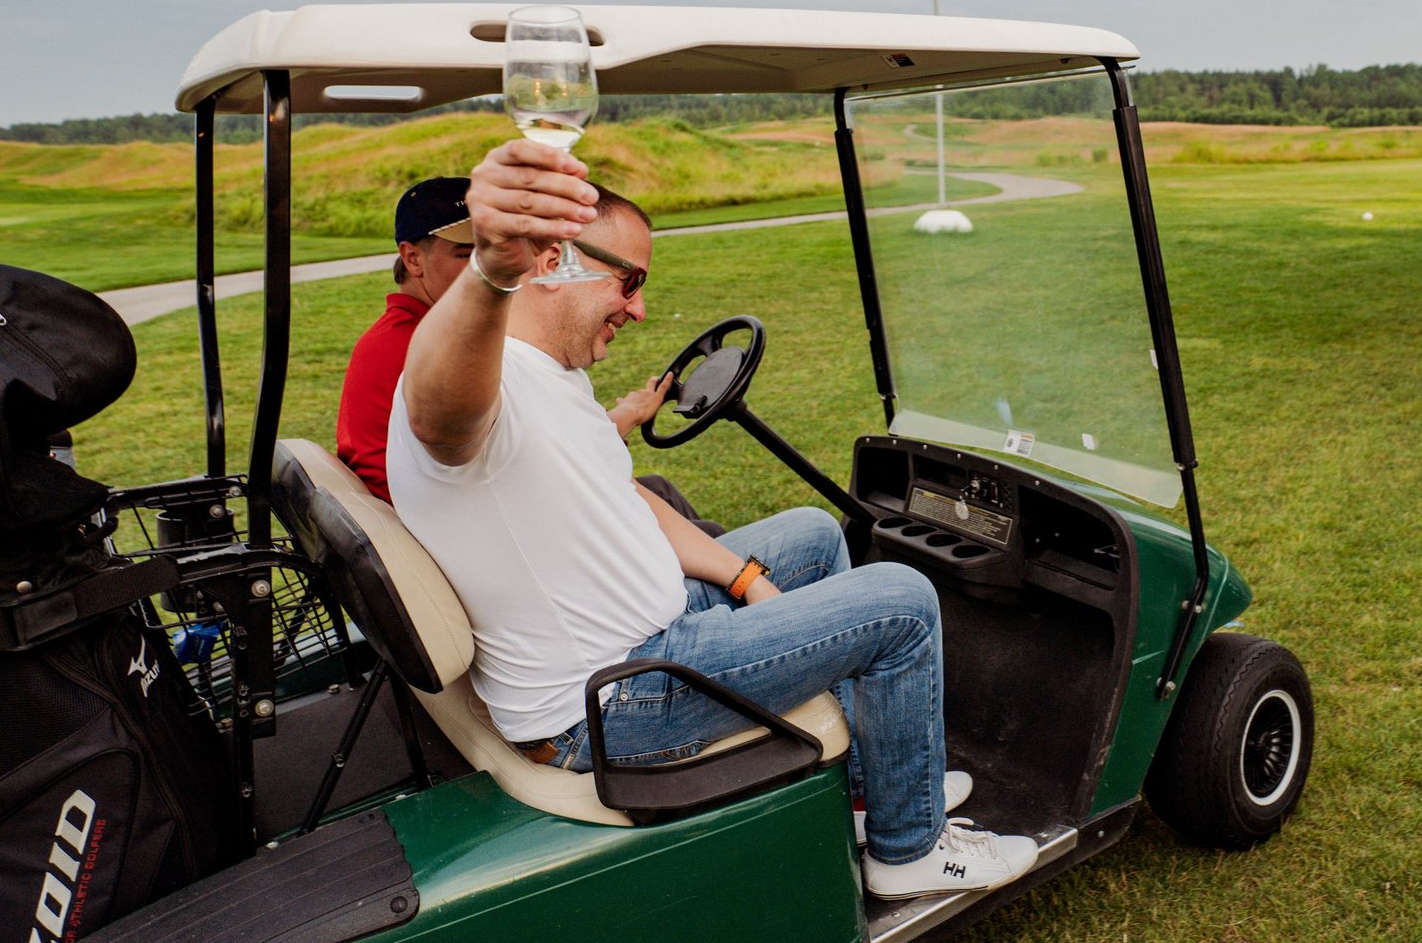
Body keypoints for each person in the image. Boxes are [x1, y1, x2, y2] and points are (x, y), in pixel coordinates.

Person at [384, 137, 1038, 898]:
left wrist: (745, 573)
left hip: (639, 643)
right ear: (552, 260)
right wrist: (489, 270)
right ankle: (906, 850)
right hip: (612, 702)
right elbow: (442, 415)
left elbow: (627, 499)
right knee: (904, 602)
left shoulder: (549, 373)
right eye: (628, 282)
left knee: (813, 533)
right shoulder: (477, 387)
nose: (639, 307)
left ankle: (870, 793)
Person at [336, 178, 478, 502]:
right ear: (413, 259)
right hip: (419, 525)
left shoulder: (407, 333)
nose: (488, 270)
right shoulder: (423, 347)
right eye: (467, 254)